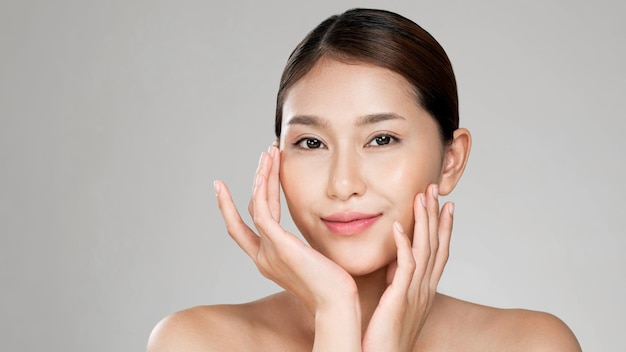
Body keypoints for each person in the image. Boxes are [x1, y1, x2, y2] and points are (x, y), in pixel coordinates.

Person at [148, 8, 581, 351]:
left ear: (451, 159)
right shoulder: (195, 342)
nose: (342, 184)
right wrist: (335, 313)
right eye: (312, 143)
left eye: (381, 138)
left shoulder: (531, 345)